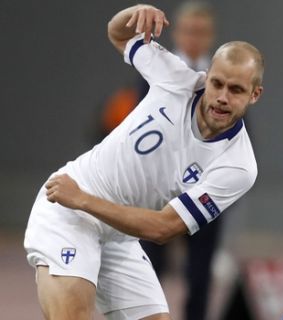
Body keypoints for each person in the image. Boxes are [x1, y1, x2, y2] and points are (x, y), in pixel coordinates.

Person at [23, 4, 264, 320]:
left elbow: (163, 228)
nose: (221, 97)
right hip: (66, 210)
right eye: (217, 83)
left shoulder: (240, 165)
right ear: (208, 76)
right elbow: (118, 34)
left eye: (236, 90)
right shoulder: (177, 77)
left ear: (255, 94)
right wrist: (135, 12)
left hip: (111, 228)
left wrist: (84, 200)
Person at [135, 3, 222, 320]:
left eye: (200, 32)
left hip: (203, 190)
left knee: (199, 275)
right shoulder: (155, 72)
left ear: (210, 36)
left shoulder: (222, 80)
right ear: (177, 32)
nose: (194, 38)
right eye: (188, 31)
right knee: (148, 270)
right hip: (156, 191)